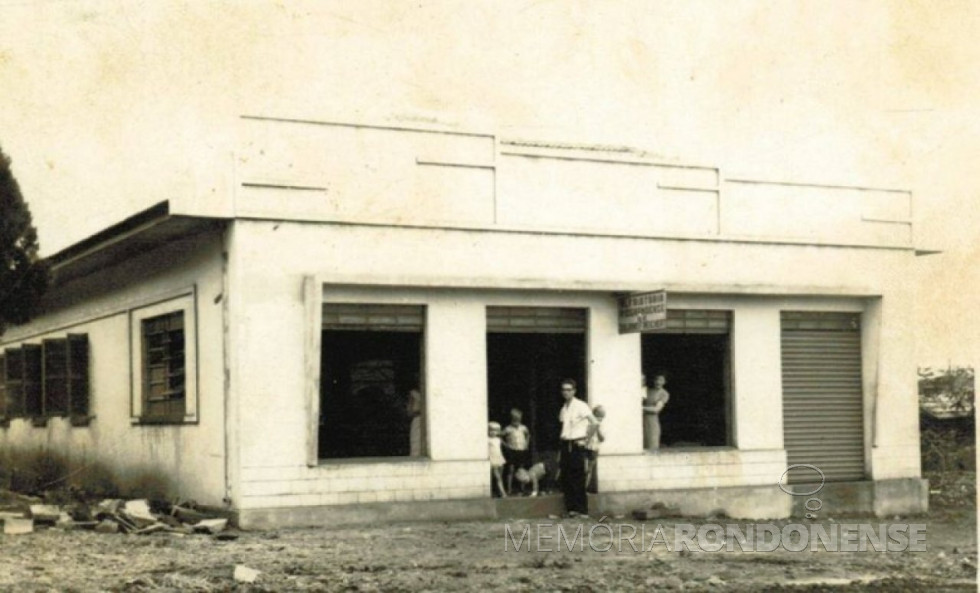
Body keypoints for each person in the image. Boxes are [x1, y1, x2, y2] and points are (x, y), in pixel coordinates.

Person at [557, 378, 598, 517]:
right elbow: (564, 427)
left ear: (574, 391)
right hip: (565, 444)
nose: (566, 392)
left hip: (577, 444)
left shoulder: (581, 405)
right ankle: (571, 509)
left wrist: (586, 439)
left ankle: (582, 510)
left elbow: (594, 423)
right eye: (563, 389)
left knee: (578, 477)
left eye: (569, 390)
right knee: (566, 476)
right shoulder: (564, 408)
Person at [501, 408, 531, 495]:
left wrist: (526, 444)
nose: (517, 422)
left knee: (521, 469)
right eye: (515, 420)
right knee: (511, 469)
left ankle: (522, 488)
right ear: (512, 419)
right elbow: (500, 437)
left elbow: (528, 435)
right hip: (512, 450)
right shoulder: (508, 429)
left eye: (518, 420)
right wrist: (506, 445)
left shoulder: (523, 428)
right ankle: (509, 489)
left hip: (521, 450)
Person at [642, 373, 670, 451]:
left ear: (665, 382)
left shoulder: (664, 394)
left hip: (651, 421)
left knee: (651, 445)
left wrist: (640, 408)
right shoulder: (647, 390)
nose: (658, 382)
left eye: (661, 380)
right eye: (656, 379)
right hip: (641, 419)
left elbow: (656, 409)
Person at [584, 405, 606, 493]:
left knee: (589, 469)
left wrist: (597, 429)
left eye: (601, 417)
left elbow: (602, 439)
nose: (599, 419)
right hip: (586, 447)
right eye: (598, 416)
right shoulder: (587, 423)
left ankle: (585, 488)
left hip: (594, 449)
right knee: (583, 468)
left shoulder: (601, 425)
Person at [488, 421, 508, 497]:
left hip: (499, 458)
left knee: (500, 477)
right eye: (491, 430)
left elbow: (506, 446)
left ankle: (498, 491)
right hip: (492, 459)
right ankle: (503, 493)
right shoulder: (487, 439)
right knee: (497, 477)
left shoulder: (498, 439)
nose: (493, 432)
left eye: (495, 431)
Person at [407, 388, 423, 456]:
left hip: (419, 420)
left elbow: (409, 412)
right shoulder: (413, 393)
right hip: (418, 420)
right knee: (416, 442)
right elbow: (410, 412)